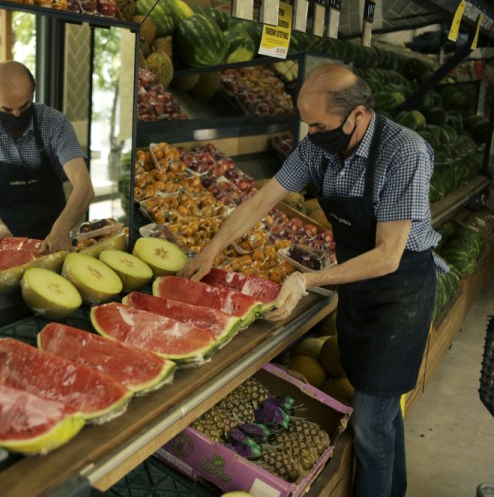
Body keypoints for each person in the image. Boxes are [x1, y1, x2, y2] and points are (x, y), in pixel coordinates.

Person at [179, 63, 445, 497]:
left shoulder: (404, 152)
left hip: (400, 291)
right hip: (356, 284)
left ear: (357, 114)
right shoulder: (317, 147)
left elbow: (387, 254)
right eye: (308, 125)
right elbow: (262, 200)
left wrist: (307, 280)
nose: (312, 134)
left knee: (371, 425)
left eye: (319, 125)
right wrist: (213, 247)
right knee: (380, 410)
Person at [0, 60, 94, 253]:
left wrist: (60, 230)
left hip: (52, 239)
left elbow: (84, 187)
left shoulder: (55, 123)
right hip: (1, 240)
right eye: (7, 110)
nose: (16, 114)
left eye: (24, 106)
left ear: (33, 91)